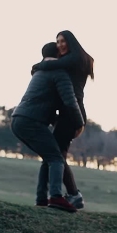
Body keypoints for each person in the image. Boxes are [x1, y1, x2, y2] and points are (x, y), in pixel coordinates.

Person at [12, 42, 85, 212]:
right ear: (59, 57)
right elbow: (70, 101)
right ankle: (56, 197)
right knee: (56, 158)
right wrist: (79, 122)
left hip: (18, 119)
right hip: (31, 121)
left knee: (49, 157)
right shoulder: (59, 73)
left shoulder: (39, 72)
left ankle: (41, 199)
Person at [32, 30, 94, 209]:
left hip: (72, 113)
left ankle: (73, 195)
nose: (59, 45)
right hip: (67, 113)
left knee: (56, 155)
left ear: (71, 41)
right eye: (57, 42)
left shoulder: (76, 59)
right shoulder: (74, 60)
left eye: (62, 41)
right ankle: (47, 197)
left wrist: (38, 66)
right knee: (55, 155)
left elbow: (52, 66)